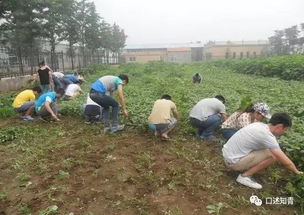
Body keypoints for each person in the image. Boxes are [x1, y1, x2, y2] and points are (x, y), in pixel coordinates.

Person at [222, 113, 303, 189]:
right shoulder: (267, 135)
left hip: (227, 155)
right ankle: (244, 176)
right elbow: (285, 161)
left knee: (269, 149)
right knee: (273, 155)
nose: (284, 132)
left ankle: (245, 168)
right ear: (279, 126)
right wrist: (297, 172)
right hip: (233, 163)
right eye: (285, 130)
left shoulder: (259, 125)